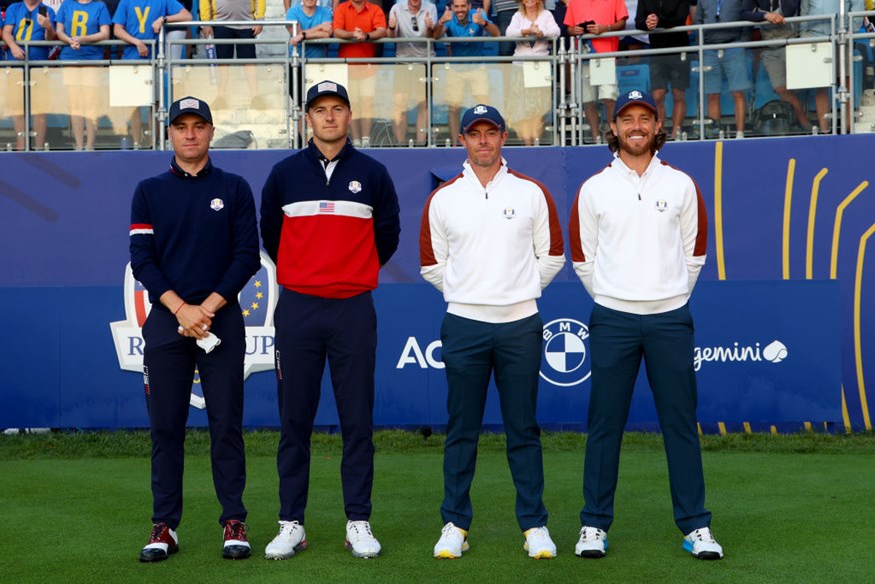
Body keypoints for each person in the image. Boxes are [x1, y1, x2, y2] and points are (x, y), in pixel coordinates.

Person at [568, 89, 723, 561]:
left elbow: (694, 253)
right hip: (613, 318)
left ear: (658, 127)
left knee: (679, 423)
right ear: (612, 129)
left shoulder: (680, 184)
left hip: (669, 318)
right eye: (627, 119)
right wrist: (616, 297)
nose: (636, 126)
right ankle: (594, 525)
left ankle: (696, 526)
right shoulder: (595, 188)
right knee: (605, 423)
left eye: (645, 118)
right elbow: (583, 257)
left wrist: (667, 294)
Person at [260, 80, 401, 560]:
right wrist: (309, 272)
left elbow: (388, 235)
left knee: (356, 419)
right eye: (319, 110)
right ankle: (291, 523)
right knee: (293, 420)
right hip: (298, 307)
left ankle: (358, 521)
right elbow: (271, 235)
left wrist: (349, 272)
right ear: (308, 118)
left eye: (337, 108)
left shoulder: (373, 173)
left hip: (352, 308)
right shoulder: (283, 174)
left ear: (348, 115)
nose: (328, 117)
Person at [419, 104, 566, 560]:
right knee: (461, 428)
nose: (483, 141)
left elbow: (553, 254)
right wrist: (469, 294)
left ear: (504, 137)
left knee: (523, 428)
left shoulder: (531, 192)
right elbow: (431, 265)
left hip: (520, 324)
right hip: (464, 325)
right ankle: (454, 524)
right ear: (462, 139)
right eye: (474, 133)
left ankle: (534, 525)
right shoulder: (444, 197)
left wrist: (515, 292)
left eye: (491, 132)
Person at [129, 96, 261, 563]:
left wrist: (205, 307)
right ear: (170, 133)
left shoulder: (235, 187)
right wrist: (181, 309)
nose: (190, 134)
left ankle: (233, 520)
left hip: (220, 320)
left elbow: (247, 256)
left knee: (226, 424)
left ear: (210, 131)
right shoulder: (149, 190)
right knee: (166, 428)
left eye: (198, 125)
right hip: (167, 324)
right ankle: (164, 526)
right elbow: (142, 260)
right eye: (181, 126)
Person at [113, 0, 192, 147]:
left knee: (154, 103)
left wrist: (163, 19)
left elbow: (187, 16)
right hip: (132, 58)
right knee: (133, 105)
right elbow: (117, 29)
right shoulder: (126, 2)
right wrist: (136, 42)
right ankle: (137, 143)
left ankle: (152, 143)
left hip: (155, 59)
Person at [432, 0, 500, 141]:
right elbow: (435, 36)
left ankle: (485, 139)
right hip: (456, 68)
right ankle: (455, 143)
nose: (460, 10)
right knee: (453, 107)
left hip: (477, 67)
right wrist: (441, 21)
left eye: (463, 6)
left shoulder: (478, 14)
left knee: (484, 107)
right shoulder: (449, 17)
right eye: (456, 6)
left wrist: (484, 23)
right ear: (452, 7)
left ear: (469, 6)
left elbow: (497, 34)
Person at [741, 0, 812, 132]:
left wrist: (772, 15)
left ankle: (802, 125)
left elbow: (791, 8)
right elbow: (743, 13)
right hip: (769, 48)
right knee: (780, 88)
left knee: (797, 87)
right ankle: (803, 123)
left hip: (792, 43)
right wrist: (765, 16)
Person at [564, 0, 628, 142]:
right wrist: (574, 30)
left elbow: (622, 23)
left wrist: (606, 28)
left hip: (605, 54)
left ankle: (612, 135)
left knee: (609, 97)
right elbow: (569, 27)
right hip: (583, 55)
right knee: (588, 99)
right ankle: (595, 137)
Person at [800, 0, 865, 133]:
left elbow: (857, 8)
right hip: (815, 38)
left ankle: (847, 128)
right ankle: (825, 130)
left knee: (845, 81)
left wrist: (849, 32)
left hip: (841, 36)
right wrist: (804, 34)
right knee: (821, 84)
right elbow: (804, 10)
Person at [55, 0, 111, 150]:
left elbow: (105, 33)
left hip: (92, 58)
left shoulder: (99, 6)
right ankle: (79, 145)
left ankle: (90, 145)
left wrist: (81, 39)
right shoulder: (67, 4)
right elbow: (58, 30)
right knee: (75, 104)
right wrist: (69, 40)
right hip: (70, 58)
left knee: (91, 103)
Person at [1, 0, 57, 150]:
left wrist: (48, 27)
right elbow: (6, 32)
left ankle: (38, 147)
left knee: (39, 109)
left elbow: (50, 39)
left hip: (38, 66)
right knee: (18, 108)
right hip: (16, 66)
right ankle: (22, 145)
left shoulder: (47, 10)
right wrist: (13, 46)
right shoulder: (15, 8)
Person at [333, 0, 388, 146]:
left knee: (367, 103)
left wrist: (366, 35)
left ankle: (366, 140)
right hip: (347, 66)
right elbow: (336, 31)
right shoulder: (342, 8)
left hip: (368, 66)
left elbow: (382, 30)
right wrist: (353, 34)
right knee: (352, 105)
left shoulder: (374, 9)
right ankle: (356, 140)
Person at [506, 0, 560, 145]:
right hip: (520, 66)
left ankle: (537, 141)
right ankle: (527, 144)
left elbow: (556, 31)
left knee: (539, 108)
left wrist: (542, 33)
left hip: (539, 66)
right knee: (522, 109)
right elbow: (509, 33)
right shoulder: (517, 16)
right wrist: (525, 32)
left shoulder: (546, 14)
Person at [636, 0, 690, 139]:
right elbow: (638, 22)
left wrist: (659, 21)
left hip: (679, 48)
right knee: (657, 96)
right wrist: (647, 23)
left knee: (678, 94)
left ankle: (676, 132)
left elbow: (681, 18)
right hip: (657, 50)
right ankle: (661, 132)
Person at [696, 0, 750, 138]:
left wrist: (742, 42)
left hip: (734, 46)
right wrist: (701, 44)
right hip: (709, 48)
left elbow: (745, 16)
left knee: (738, 92)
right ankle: (714, 133)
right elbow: (698, 21)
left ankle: (740, 133)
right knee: (712, 94)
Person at [199, 0, 266, 110]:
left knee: (249, 61)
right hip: (221, 23)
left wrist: (259, 20)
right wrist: (205, 22)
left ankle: (255, 96)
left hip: (246, 24)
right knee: (222, 62)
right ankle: (221, 96)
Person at [387, 0, 438, 145]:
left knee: (423, 105)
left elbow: (432, 37)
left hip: (425, 61)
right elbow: (391, 37)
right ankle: (400, 144)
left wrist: (429, 28)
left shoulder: (431, 8)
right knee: (399, 104)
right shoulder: (396, 8)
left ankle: (422, 144)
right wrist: (391, 27)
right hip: (403, 61)